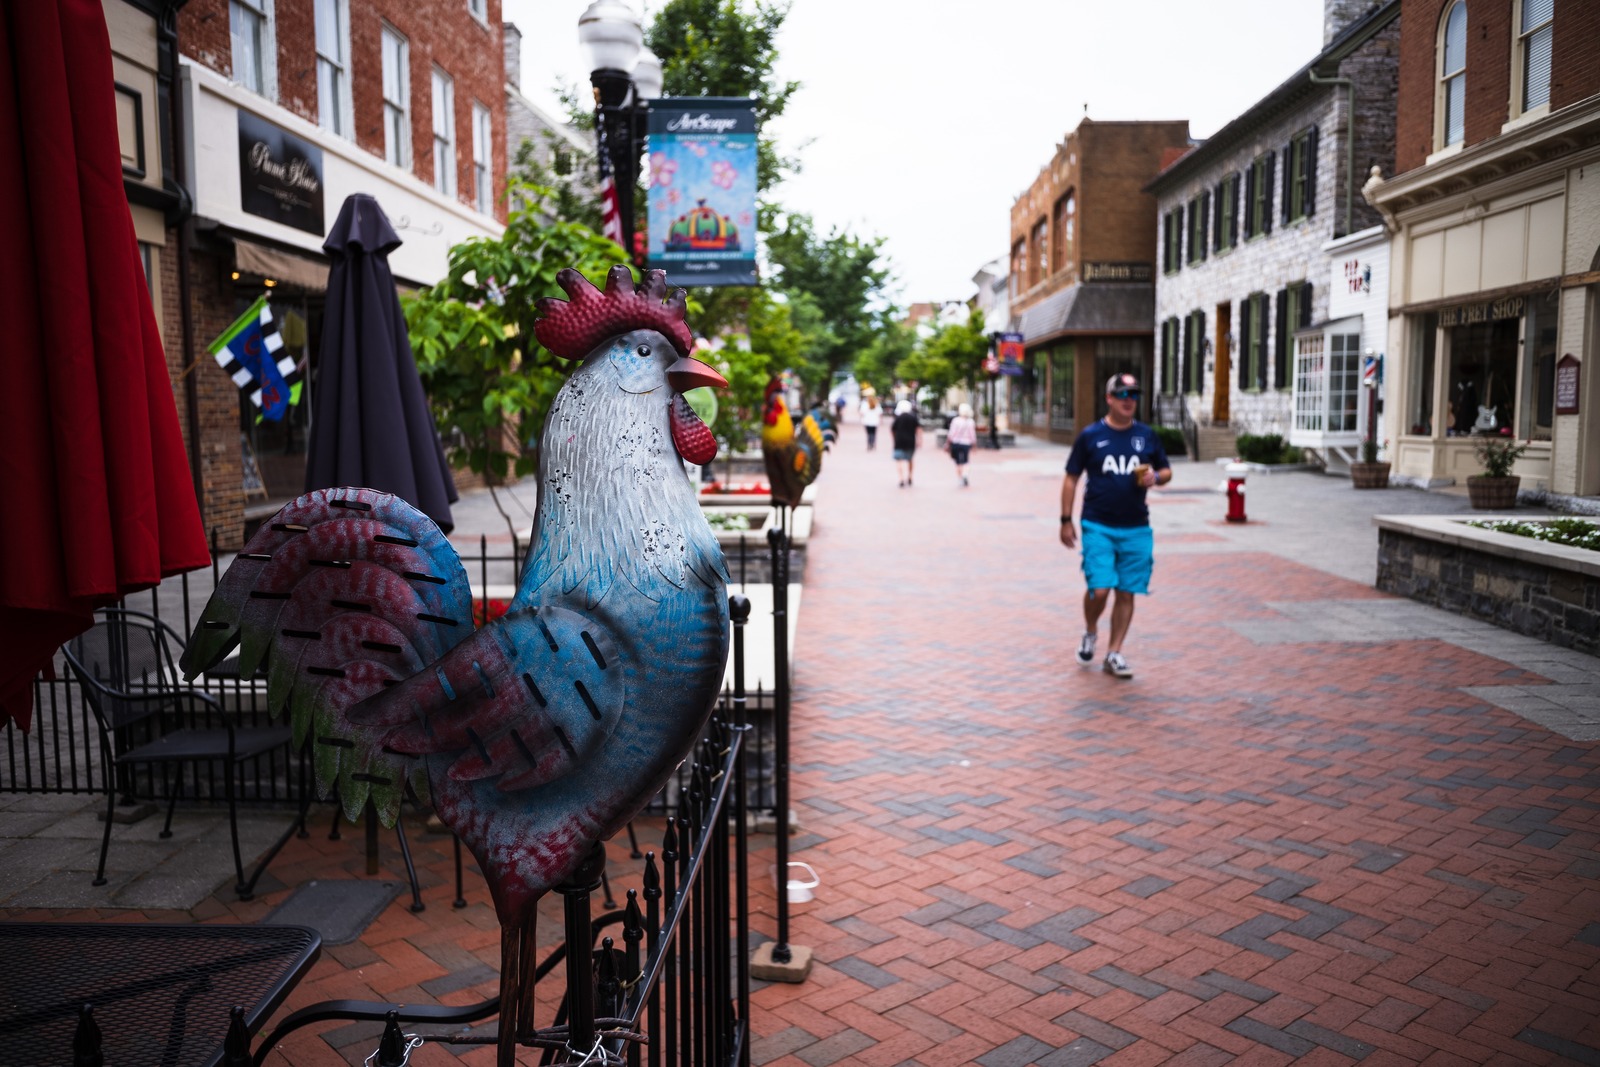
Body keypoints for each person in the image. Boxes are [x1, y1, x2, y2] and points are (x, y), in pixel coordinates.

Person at [1058, 373, 1171, 679]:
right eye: (1122, 395)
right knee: (1100, 588)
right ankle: (1091, 631)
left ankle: (1114, 653)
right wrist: (1066, 520)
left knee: (1126, 591)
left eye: (1134, 395)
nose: (1129, 400)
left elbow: (1165, 470)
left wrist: (1156, 478)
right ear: (1109, 398)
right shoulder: (1091, 436)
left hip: (1136, 527)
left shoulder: (1146, 436)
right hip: (1098, 524)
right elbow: (1071, 477)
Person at [890, 399, 921, 488]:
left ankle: (901, 478)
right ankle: (910, 476)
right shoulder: (913, 417)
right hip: (911, 441)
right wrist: (919, 440)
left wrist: (894, 439)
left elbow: (892, 430)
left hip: (899, 441)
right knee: (910, 459)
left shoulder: (898, 418)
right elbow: (918, 429)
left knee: (899, 460)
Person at [946, 402, 977, 487]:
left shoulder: (956, 421)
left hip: (956, 443)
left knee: (958, 462)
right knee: (966, 461)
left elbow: (951, 433)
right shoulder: (970, 422)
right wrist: (974, 445)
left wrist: (948, 442)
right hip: (966, 443)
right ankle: (965, 475)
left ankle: (960, 479)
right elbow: (972, 435)